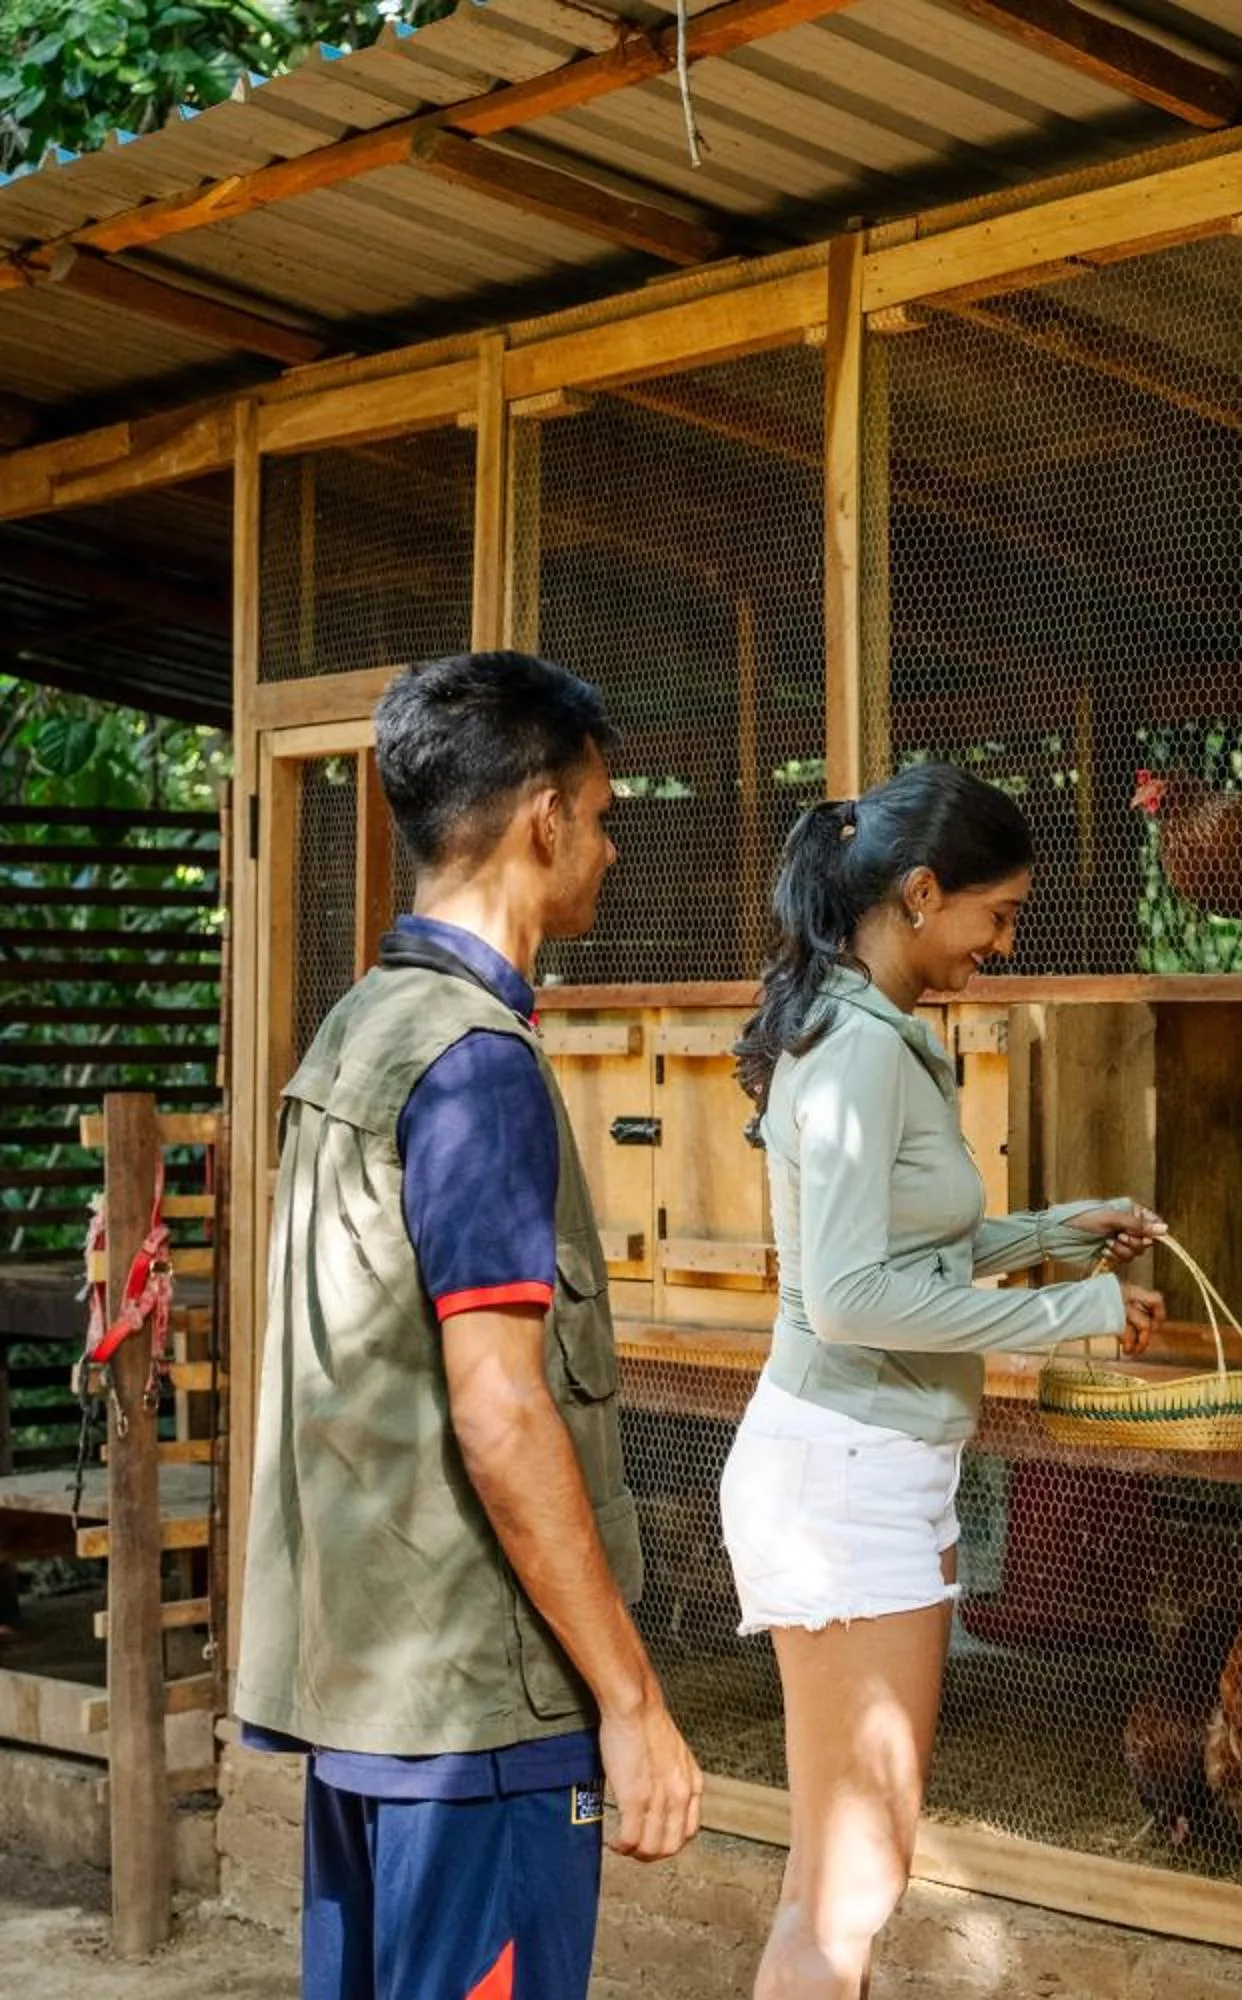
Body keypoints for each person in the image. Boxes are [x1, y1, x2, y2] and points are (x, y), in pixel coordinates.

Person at [235, 651, 703, 2000]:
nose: (610, 849)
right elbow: (499, 1410)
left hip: (373, 1708)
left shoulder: (357, 1030)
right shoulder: (475, 1066)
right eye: (605, 816)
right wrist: (631, 1702)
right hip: (478, 1725)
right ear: (545, 819)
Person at [722, 763, 1169, 1998]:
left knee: (836, 1879)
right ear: (922, 893)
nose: (1001, 941)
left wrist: (1050, 1234)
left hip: (864, 1465)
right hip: (845, 1474)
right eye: (997, 912)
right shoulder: (862, 1051)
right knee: (853, 1880)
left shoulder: (863, 1029)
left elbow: (900, 1250)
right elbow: (855, 1296)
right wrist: (1074, 1311)